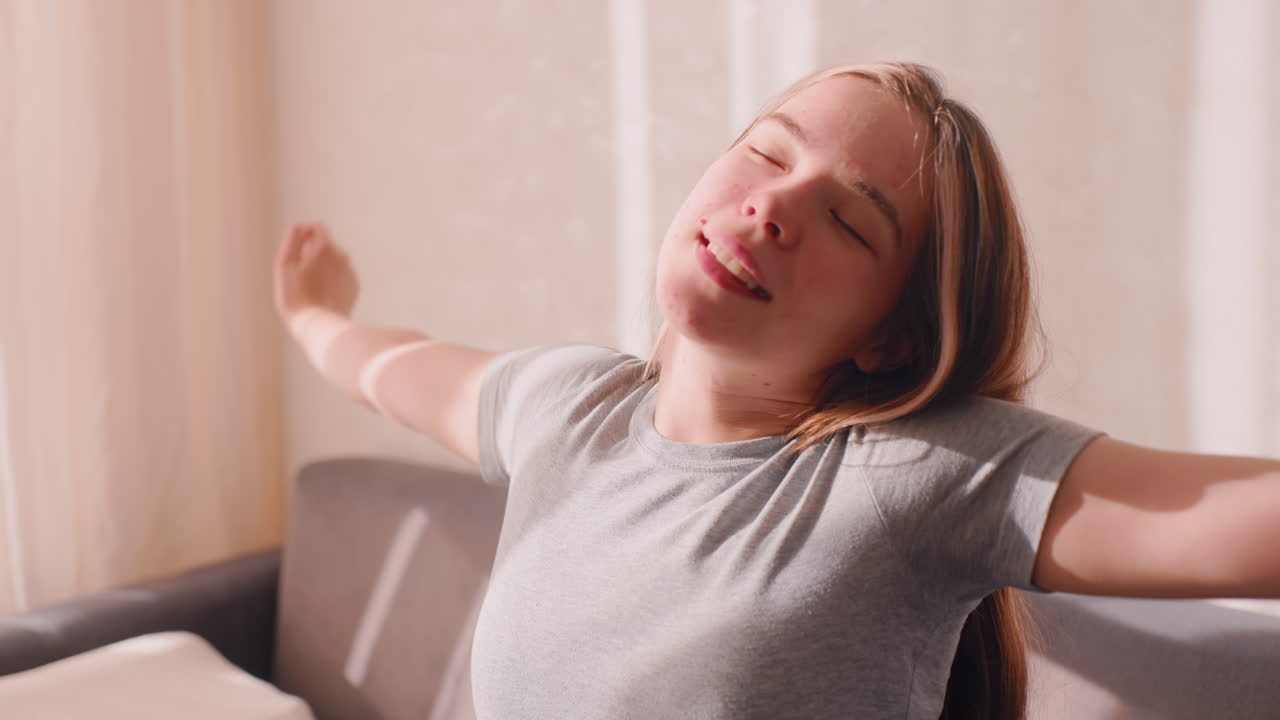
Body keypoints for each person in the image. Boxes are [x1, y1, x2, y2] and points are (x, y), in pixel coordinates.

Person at [273, 62, 1280, 720]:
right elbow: (385, 366)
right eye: (765, 151)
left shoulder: (908, 474)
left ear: (891, 337)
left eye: (850, 222)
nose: (771, 205)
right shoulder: (563, 406)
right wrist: (316, 313)